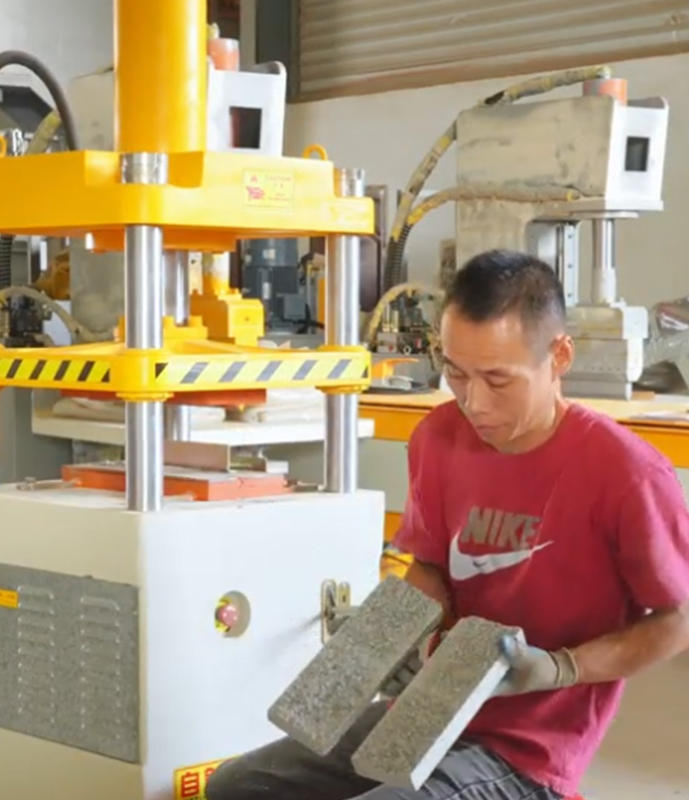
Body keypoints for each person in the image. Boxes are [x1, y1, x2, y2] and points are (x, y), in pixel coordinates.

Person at [206, 249, 689, 800]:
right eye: (456, 373)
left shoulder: (627, 474)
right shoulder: (438, 437)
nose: (473, 402)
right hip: (430, 712)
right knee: (238, 788)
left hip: (529, 751)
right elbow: (432, 569)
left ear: (559, 356)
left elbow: (677, 621)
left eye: (497, 380)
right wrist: (390, 639)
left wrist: (561, 668)